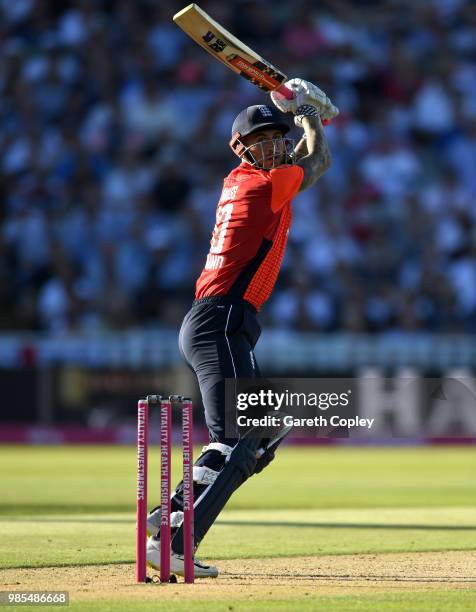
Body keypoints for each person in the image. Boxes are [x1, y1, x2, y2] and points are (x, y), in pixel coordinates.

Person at [146, 78, 339, 577]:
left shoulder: (242, 181)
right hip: (223, 319)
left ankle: (169, 513)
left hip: (221, 320)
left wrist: (301, 115)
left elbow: (300, 161)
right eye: (264, 142)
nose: (275, 147)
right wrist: (309, 115)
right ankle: (171, 543)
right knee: (238, 437)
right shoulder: (263, 185)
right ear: (243, 150)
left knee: (267, 427)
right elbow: (317, 162)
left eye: (278, 138)